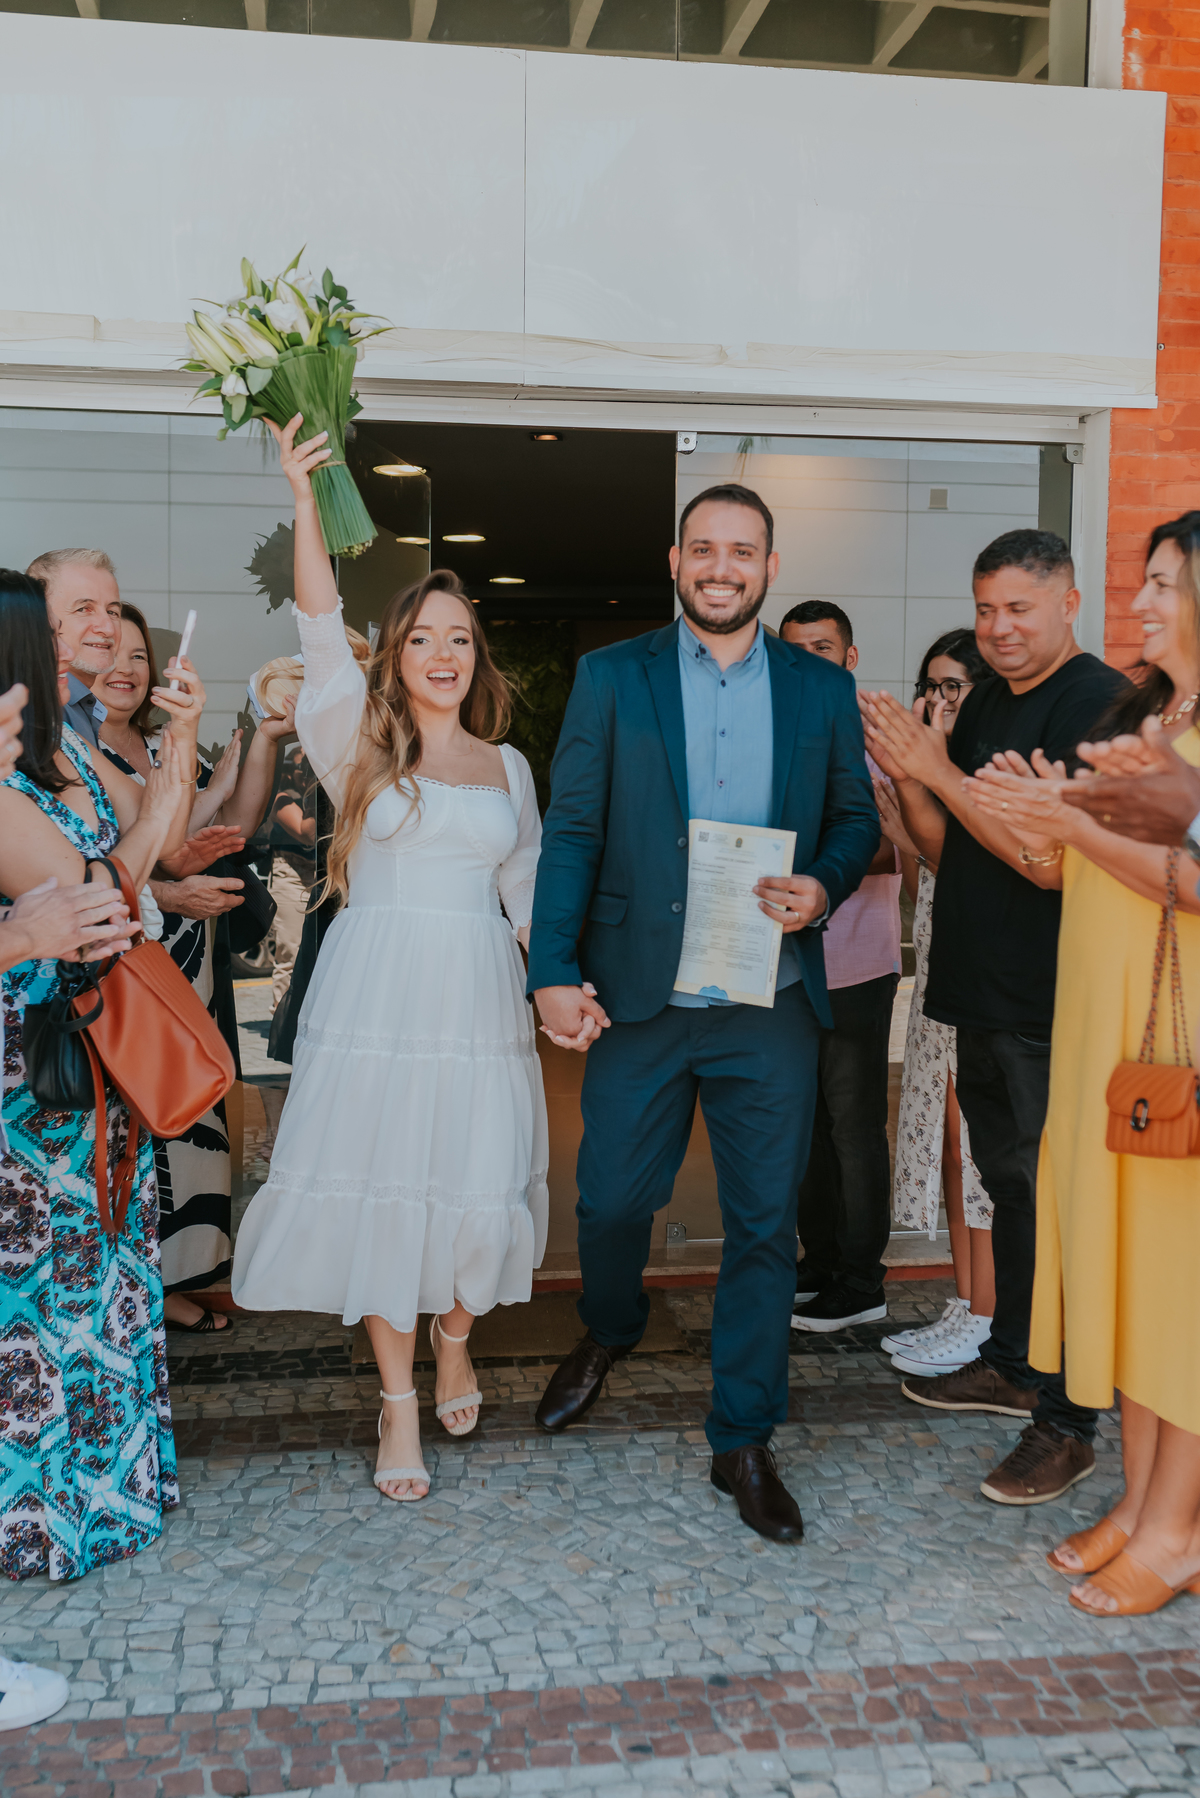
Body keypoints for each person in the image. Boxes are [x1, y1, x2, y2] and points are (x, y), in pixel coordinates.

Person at [528, 482, 879, 1542]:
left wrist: (822, 882)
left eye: (744, 551)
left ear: (769, 568)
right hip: (642, 995)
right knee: (610, 1204)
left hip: (767, 1001)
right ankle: (611, 1323)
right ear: (675, 561)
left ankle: (743, 1437)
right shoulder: (610, 676)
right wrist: (550, 965)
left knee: (764, 1226)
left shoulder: (820, 690)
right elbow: (574, 830)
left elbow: (854, 821)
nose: (722, 567)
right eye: (704, 549)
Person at [232, 415, 548, 1505]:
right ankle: (400, 1398)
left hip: (476, 999)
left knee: (476, 1181)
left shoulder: (510, 769)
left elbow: (527, 901)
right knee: (380, 1186)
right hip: (376, 993)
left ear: (478, 654)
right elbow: (318, 619)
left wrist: (560, 985)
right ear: (397, 653)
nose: (445, 656)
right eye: (424, 638)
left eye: (460, 638)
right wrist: (303, 496)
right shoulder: (354, 743)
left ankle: (456, 1331)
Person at [862, 529, 1128, 1507]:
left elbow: (1038, 853)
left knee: (1057, 1201)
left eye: (1018, 608)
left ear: (1067, 601)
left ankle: (1069, 1418)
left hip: (1050, 995)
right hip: (980, 984)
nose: (999, 628)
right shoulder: (988, 706)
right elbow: (951, 845)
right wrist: (911, 780)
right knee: (1010, 1186)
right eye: (985, 609)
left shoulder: (1095, 702)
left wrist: (939, 770)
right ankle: (1016, 1359)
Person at [965, 513, 1200, 1614]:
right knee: (1139, 1285)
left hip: (1176, 1037)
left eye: (1164, 584)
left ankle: (1175, 1531)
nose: (1143, 604)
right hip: (1104, 1026)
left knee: (1181, 1289)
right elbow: (1092, 862)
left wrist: (1062, 808)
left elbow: (1190, 879)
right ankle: (1141, 1502)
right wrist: (1037, 810)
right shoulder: (1151, 711)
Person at [0, 568, 201, 1581]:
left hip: (75, 1066)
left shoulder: (53, 759)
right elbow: (101, 896)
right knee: (48, 1295)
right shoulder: (2, 791)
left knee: (99, 1270)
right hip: (31, 1084)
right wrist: (160, 802)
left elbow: (123, 872)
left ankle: (104, 1498)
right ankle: (53, 1513)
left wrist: (162, 790)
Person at [93, 604, 292, 1330]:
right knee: (130, 1122)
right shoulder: (73, 753)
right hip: (123, 966)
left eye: (140, 657)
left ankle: (170, 1281)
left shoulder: (161, 745)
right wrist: (167, 889)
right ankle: (129, 1286)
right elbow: (87, 871)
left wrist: (263, 740)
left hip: (186, 958)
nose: (127, 668)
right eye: (111, 653)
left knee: (187, 1122)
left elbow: (229, 817)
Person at [779, 601, 902, 1333]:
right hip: (789, 963)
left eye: (822, 649)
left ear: (849, 660)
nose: (809, 662)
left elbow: (898, 847)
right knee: (806, 1125)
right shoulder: (779, 733)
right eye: (795, 650)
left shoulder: (877, 739)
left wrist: (818, 866)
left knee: (854, 1125)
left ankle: (862, 1281)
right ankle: (820, 1261)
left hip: (857, 962)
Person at [881, 629, 996, 1378]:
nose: (938, 699)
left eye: (954, 686)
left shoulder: (987, 776)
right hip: (940, 982)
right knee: (950, 1151)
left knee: (978, 1157)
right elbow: (925, 888)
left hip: (986, 988)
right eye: (932, 685)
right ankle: (965, 1301)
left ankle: (990, 1316)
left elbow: (960, 862)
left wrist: (918, 794)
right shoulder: (942, 771)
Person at [25, 548, 121, 749]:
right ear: (39, 619)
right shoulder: (42, 709)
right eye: (84, 609)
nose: (108, 627)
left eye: (112, 611)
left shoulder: (80, 705)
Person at [266, 743, 317, 1014]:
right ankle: (283, 1020)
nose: (308, 773)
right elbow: (305, 831)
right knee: (291, 952)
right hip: (291, 872)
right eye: (304, 767)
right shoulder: (281, 798)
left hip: (325, 874)